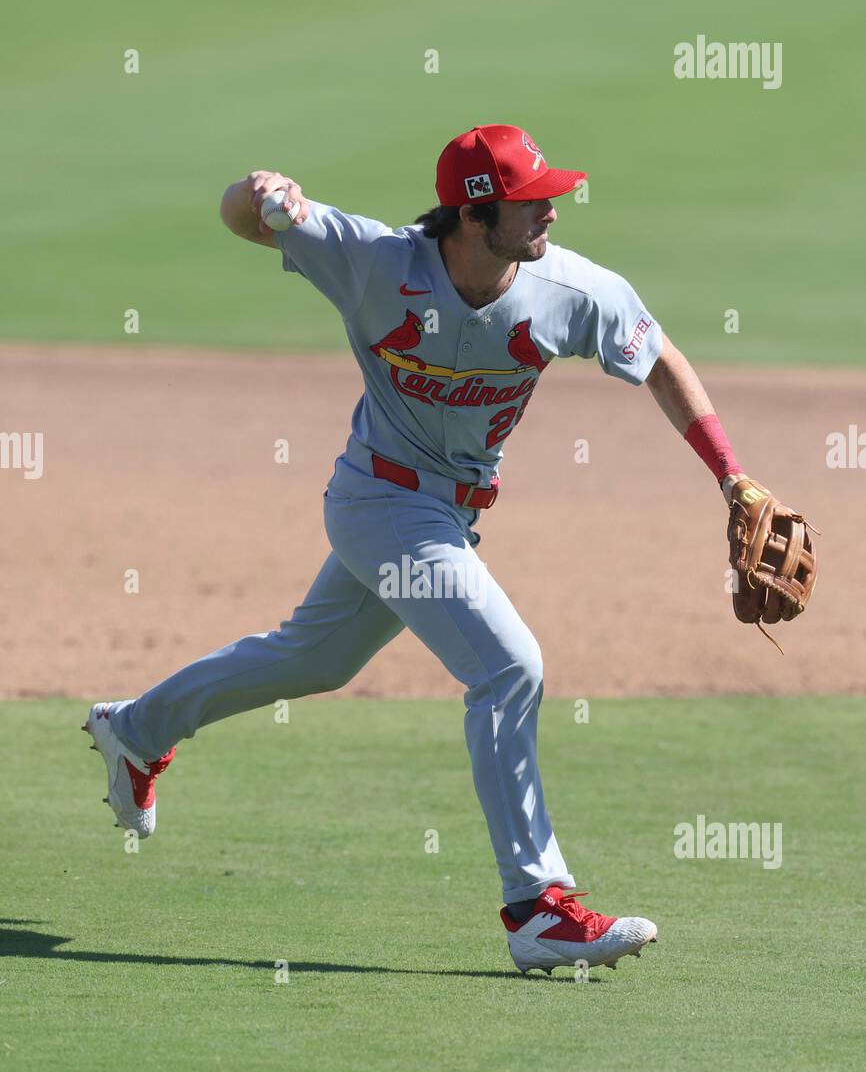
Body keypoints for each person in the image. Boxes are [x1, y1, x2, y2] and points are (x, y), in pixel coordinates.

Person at [84, 123, 763, 975]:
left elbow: (658, 355)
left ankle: (136, 729)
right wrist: (262, 191)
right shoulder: (375, 261)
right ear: (475, 218)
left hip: (447, 515)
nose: (552, 209)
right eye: (531, 202)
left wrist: (731, 478)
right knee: (509, 666)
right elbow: (243, 216)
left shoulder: (570, 287)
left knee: (314, 659)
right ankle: (538, 907)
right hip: (379, 502)